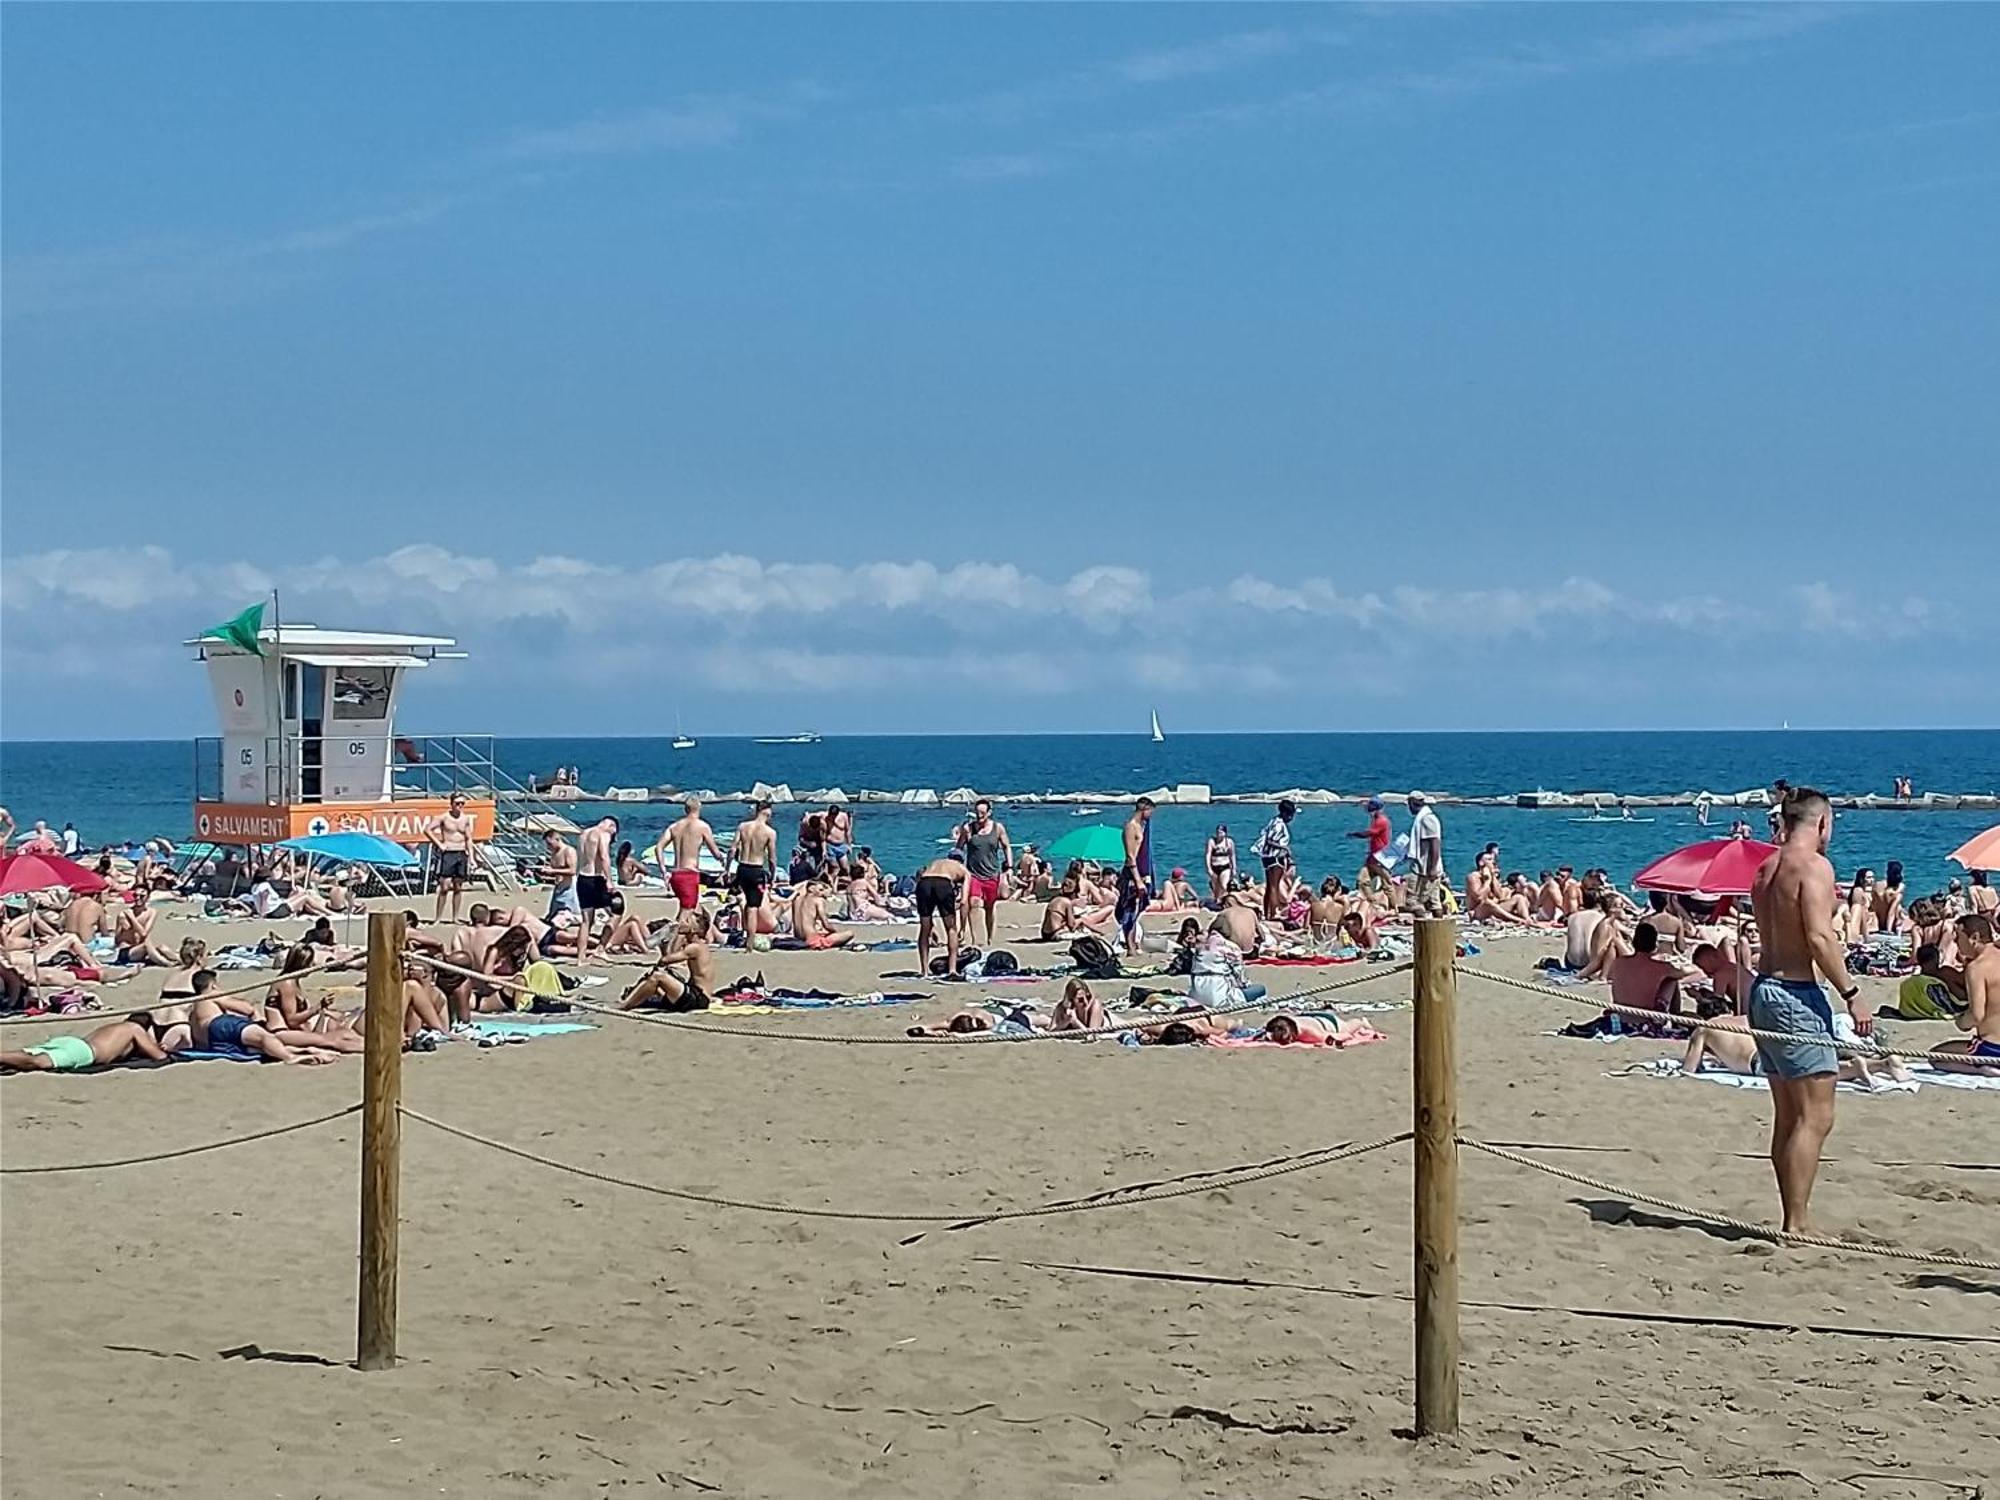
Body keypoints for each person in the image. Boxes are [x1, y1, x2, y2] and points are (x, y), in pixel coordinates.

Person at [1747, 786, 1869, 1234]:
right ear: (1820, 823)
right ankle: (1796, 1222)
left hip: (1764, 990)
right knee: (1816, 1115)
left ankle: (1791, 1215)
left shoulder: (1765, 867)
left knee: (1789, 1114)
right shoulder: (1813, 867)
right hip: (1796, 994)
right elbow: (1819, 937)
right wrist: (1852, 993)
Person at [1682, 1014, 1909, 1090]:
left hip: (1757, 1060)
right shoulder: (1740, 1019)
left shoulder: (1702, 1030)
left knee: (1810, 1077)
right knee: (1812, 1064)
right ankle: (1880, 1064)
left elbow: (1689, 1070)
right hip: (1773, 1044)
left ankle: (1854, 1068)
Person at [2, 1013, 177, 1073]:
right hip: (86, 1051)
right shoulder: (134, 1029)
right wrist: (158, 1047)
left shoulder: (117, 1028)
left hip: (73, 1042)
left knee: (28, 1055)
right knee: (40, 1062)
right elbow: (160, 1057)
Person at [1934, 914, 2000, 1072]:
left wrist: (1961, 1022)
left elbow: (1977, 1015)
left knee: (1936, 1056)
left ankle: (1982, 1069)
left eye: (1958, 936)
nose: (1955, 942)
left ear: (1974, 938)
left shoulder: (1977, 967)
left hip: (1993, 1048)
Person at [620, 911, 718, 1012]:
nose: (681, 922)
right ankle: (634, 998)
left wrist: (669, 937)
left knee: (657, 977)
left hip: (697, 999)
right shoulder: (702, 946)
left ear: (694, 930)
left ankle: (624, 1006)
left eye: (687, 921)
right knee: (659, 985)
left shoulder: (694, 948)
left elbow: (665, 959)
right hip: (699, 995)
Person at [953, 798, 1011, 948]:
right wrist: (956, 868)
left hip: (992, 873)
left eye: (983, 813)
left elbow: (1006, 847)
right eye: (977, 813)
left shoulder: (998, 828)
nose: (979, 816)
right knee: (972, 903)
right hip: (972, 874)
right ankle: (975, 939)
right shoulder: (968, 829)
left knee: (989, 907)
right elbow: (958, 849)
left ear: (989, 813)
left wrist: (1009, 867)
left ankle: (990, 937)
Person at [654, 797, 725, 914]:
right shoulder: (703, 827)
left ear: (685, 809)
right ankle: (675, 931)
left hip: (676, 874)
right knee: (686, 912)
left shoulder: (674, 827)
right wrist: (722, 860)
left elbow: (659, 847)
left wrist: (663, 870)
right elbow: (715, 851)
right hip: (689, 874)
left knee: (694, 910)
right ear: (699, 808)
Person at [1607, 922, 1683, 1019]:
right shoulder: (1661, 967)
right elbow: (1686, 973)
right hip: (1645, 1019)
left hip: (1620, 1015)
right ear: (1655, 944)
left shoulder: (1618, 962)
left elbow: (1610, 976)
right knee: (1672, 980)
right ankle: (1676, 1017)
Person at [730, 801, 779, 945]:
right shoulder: (769, 832)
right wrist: (773, 875)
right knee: (753, 907)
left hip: (742, 868)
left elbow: (733, 849)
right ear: (768, 813)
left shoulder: (743, 826)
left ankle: (746, 935)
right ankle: (750, 942)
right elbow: (772, 858)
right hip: (756, 869)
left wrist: (727, 869)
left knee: (746, 903)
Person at [573, 815, 619, 965]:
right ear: (611, 826)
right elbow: (604, 857)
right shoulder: (603, 834)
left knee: (586, 921)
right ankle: (601, 947)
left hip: (582, 879)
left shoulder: (583, 834)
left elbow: (580, 858)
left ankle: (581, 958)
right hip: (596, 879)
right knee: (617, 910)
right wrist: (610, 881)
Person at [914, 856, 969, 980]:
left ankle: (924, 971)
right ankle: (952, 970)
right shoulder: (963, 870)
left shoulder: (935, 863)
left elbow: (919, 876)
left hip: (924, 883)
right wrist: (962, 929)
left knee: (925, 928)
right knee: (951, 928)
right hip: (943, 884)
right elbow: (964, 902)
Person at [427, 791, 476, 925]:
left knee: (458, 887)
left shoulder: (465, 819)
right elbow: (428, 829)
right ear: (451, 804)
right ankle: (438, 918)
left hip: (461, 853)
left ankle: (455, 917)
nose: (460, 806)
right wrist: (439, 844)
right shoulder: (443, 817)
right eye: (457, 803)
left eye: (462, 803)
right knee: (444, 887)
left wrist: (472, 858)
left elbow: (468, 838)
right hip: (448, 853)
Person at [1116, 796, 1156, 957]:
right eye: (1150, 811)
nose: (1151, 815)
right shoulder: (1131, 827)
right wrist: (1138, 880)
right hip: (1133, 875)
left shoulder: (1141, 827)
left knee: (1137, 909)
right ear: (1144, 808)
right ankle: (1130, 947)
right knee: (1130, 909)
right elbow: (1130, 856)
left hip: (1142, 874)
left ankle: (1132, 945)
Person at [1253, 799, 1297, 920]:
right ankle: (1273, 913)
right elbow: (1270, 841)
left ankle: (1268, 912)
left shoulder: (1274, 821)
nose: (1291, 818)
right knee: (1274, 886)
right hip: (1275, 857)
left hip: (1268, 857)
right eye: (1291, 815)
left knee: (1270, 886)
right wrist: (1285, 848)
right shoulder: (1278, 824)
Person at [790, 879, 854, 950]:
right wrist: (834, 932)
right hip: (813, 940)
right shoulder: (818, 900)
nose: (822, 893)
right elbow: (826, 924)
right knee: (849, 933)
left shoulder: (796, 900)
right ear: (811, 889)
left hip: (798, 938)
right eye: (820, 890)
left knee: (822, 933)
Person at [1407, 793, 1444, 914]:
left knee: (1414, 901)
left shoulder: (1427, 819)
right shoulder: (1424, 818)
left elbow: (1435, 843)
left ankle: (1421, 925)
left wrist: (1432, 868)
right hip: (1426, 866)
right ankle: (1439, 926)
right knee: (1434, 902)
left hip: (1424, 868)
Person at [1347, 798, 1392, 893]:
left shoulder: (1381, 821)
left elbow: (1369, 833)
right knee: (1364, 880)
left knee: (1385, 882)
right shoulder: (1377, 819)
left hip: (1378, 856)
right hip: (1375, 855)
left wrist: (1354, 834)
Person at [540, 829, 578, 920]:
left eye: (550, 844)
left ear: (557, 839)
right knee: (551, 916)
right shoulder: (554, 853)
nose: (548, 847)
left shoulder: (568, 851)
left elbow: (572, 871)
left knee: (568, 915)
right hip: (559, 887)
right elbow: (556, 870)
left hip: (569, 887)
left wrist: (553, 871)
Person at [1205, 825, 1237, 905]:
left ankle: (1224, 901)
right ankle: (1216, 901)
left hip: (1225, 866)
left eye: (1221, 832)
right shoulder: (1212, 841)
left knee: (1224, 885)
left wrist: (1234, 868)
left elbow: (1232, 855)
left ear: (1225, 833)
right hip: (1214, 866)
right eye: (1218, 832)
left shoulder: (1229, 842)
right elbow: (1208, 854)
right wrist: (1208, 868)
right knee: (1216, 887)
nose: (1219, 834)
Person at [823, 803, 853, 873]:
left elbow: (847, 831)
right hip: (830, 845)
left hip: (841, 845)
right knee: (834, 867)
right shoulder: (825, 817)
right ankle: (832, 882)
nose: (832, 817)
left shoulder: (844, 816)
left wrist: (849, 845)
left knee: (845, 868)